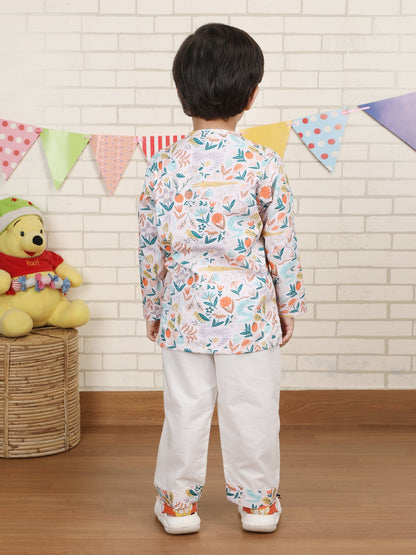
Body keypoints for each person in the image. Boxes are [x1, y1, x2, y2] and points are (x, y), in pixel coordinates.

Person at [138, 22, 307, 535]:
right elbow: (281, 243)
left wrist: (153, 308)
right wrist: (288, 305)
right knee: (253, 407)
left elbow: (151, 248)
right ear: (251, 95)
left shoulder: (162, 165)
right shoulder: (264, 162)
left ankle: (178, 506)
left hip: (184, 309)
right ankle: (258, 505)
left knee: (185, 408)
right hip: (250, 311)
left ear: (181, 91)